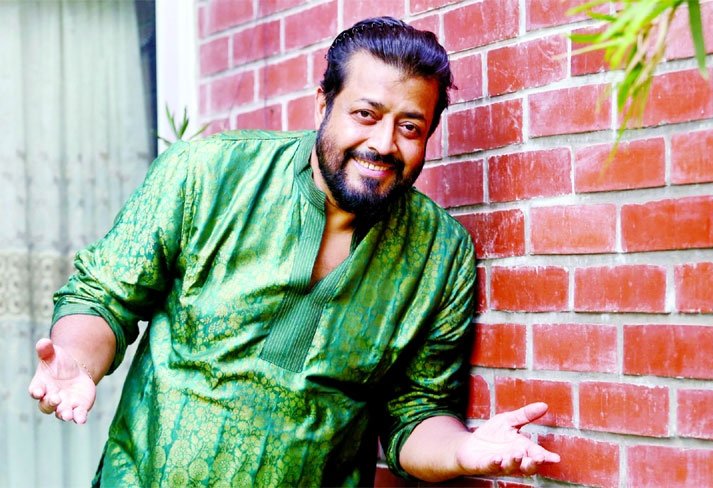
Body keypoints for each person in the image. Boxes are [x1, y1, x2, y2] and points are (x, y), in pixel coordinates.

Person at [28, 17, 559, 486]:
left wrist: (464, 451)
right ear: (323, 103)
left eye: (409, 127)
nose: (384, 144)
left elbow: (416, 413)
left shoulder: (438, 255)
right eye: (366, 114)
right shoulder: (209, 175)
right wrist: (76, 361)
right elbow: (103, 297)